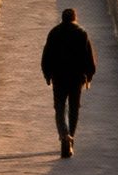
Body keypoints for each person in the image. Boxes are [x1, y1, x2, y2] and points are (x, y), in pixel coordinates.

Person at [40, 8, 96, 158]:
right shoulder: (81, 33)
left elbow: (46, 56)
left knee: (59, 108)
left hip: (59, 78)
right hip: (76, 78)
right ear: (74, 18)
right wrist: (89, 75)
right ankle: (71, 137)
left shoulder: (54, 33)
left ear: (62, 18)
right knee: (73, 109)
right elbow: (89, 57)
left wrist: (47, 74)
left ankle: (64, 135)